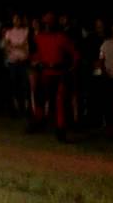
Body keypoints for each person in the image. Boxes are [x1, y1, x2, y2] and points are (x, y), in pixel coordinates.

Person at [30, 14, 78, 142]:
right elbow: (37, 54)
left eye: (49, 23)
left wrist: (70, 69)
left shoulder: (61, 38)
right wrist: (36, 61)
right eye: (45, 23)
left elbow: (75, 55)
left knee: (59, 103)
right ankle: (38, 122)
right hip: (45, 74)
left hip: (59, 75)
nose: (47, 26)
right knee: (39, 98)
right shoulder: (38, 38)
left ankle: (61, 130)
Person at [2, 14, 31, 114]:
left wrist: (14, 46)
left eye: (18, 19)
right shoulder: (9, 32)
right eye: (15, 19)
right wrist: (18, 46)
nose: (17, 21)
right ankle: (16, 106)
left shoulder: (25, 31)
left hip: (23, 60)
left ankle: (27, 106)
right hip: (13, 61)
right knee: (14, 84)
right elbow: (6, 46)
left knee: (25, 84)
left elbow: (26, 46)